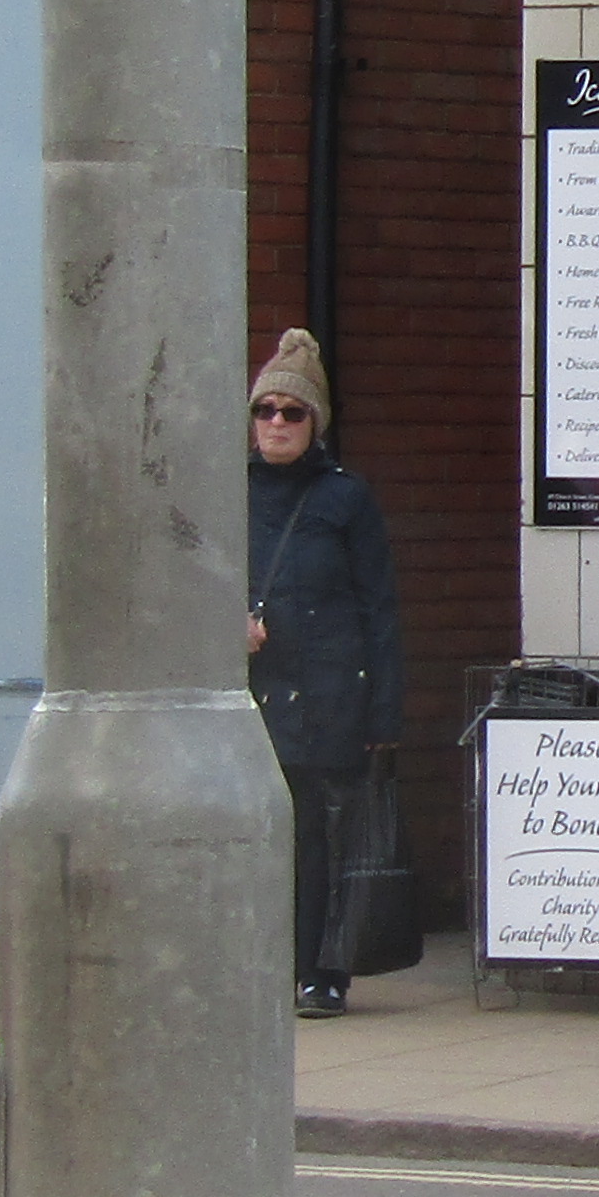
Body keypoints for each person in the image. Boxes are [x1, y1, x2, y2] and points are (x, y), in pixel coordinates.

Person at [245, 329, 403, 1017]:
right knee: (260, 833)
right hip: (253, 693)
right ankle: (261, 962)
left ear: (316, 423)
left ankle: (321, 970)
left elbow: (379, 608)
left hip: (331, 693)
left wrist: (383, 716)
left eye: (292, 412)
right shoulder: (228, 492)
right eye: (265, 410)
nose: (276, 424)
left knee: (321, 837)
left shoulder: (346, 499)